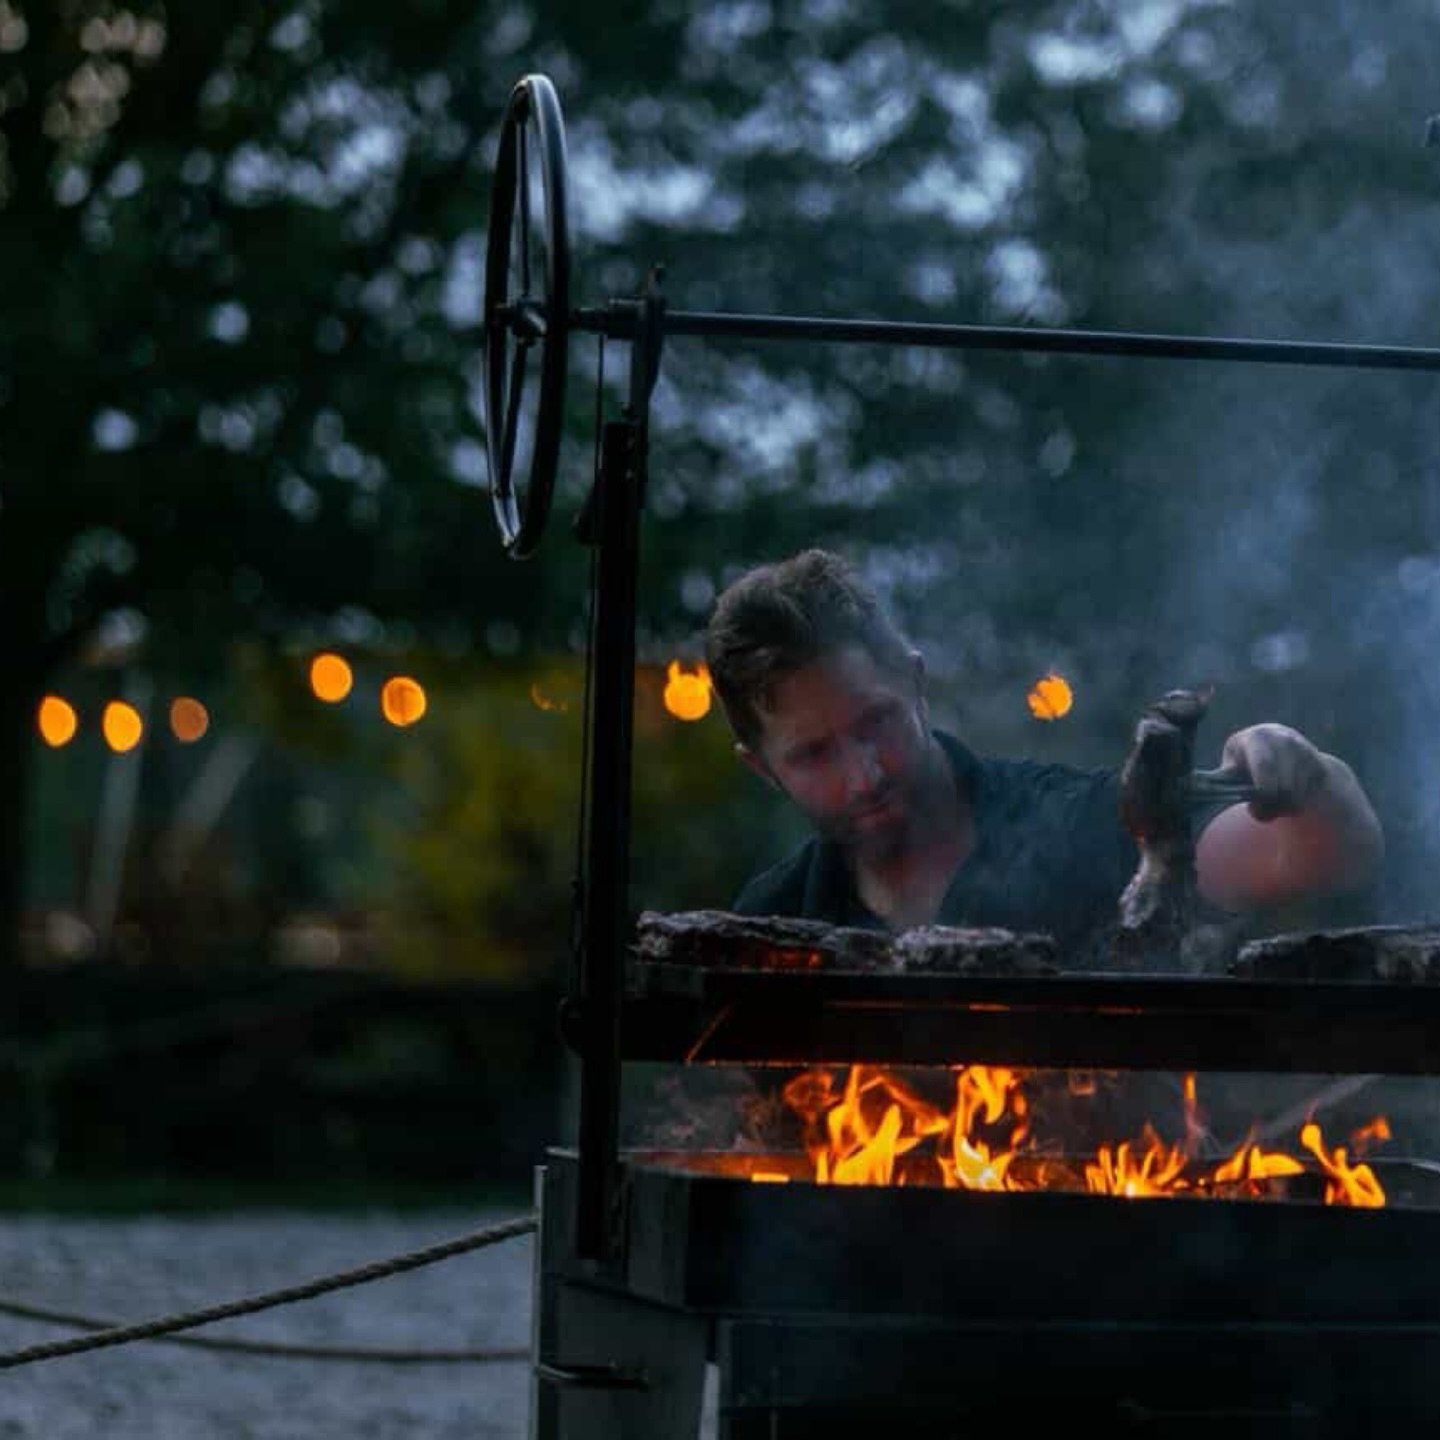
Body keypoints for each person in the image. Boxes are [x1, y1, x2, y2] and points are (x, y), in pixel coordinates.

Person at [703, 548, 1384, 961]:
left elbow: (1326, 852)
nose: (865, 774)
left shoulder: (1087, 825)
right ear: (763, 769)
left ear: (915, 684)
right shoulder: (771, 925)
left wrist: (1306, 776)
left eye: (875, 722)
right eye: (814, 755)